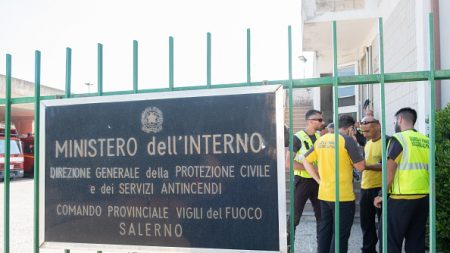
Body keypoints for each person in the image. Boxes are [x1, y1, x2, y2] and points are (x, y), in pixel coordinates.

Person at [303, 115, 365, 253]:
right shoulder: (347, 140)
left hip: (325, 194)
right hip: (343, 196)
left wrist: (318, 180)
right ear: (350, 128)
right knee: (340, 236)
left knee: (326, 231)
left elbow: (305, 160)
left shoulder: (322, 140)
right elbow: (360, 167)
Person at [374, 107, 429, 253]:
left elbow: (389, 171)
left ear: (400, 120)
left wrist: (381, 195)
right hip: (423, 198)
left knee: (389, 242)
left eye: (394, 121)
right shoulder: (427, 141)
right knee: (416, 242)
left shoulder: (399, 139)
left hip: (401, 199)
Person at [286, 109, 325, 250]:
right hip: (302, 181)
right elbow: (288, 163)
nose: (323, 122)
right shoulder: (297, 137)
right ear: (310, 121)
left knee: (322, 218)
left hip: (318, 181)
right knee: (294, 219)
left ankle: (323, 248)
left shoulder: (321, 137)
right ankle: (289, 248)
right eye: (320, 120)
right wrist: (312, 169)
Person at [358, 116, 385, 253]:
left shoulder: (387, 142)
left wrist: (365, 166)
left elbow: (385, 165)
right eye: (363, 131)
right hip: (365, 188)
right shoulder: (368, 143)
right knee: (366, 225)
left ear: (378, 126)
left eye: (367, 130)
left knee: (383, 225)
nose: (364, 134)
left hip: (380, 189)